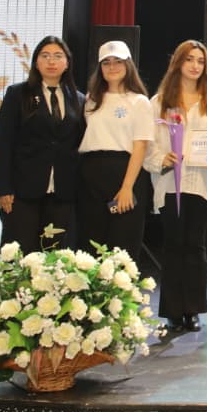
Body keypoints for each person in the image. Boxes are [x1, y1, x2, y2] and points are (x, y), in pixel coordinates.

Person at [145, 40, 207, 333]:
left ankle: (192, 310)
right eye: (189, 59)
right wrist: (161, 159)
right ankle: (172, 311)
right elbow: (149, 145)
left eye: (200, 61)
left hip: (201, 184)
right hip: (169, 184)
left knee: (195, 245)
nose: (195, 66)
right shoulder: (159, 101)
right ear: (178, 63)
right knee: (173, 245)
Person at [0, 36, 86, 253]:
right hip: (22, 192)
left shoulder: (79, 100)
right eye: (45, 56)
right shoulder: (18, 94)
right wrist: (3, 188)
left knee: (55, 257)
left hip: (62, 193)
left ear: (67, 63)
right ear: (36, 62)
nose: (51, 61)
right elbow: (3, 143)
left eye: (58, 56)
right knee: (19, 255)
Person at [77, 41, 153, 261]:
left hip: (125, 173)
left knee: (122, 246)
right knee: (90, 244)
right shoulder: (90, 100)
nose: (112, 67)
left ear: (128, 65)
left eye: (118, 61)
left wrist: (127, 187)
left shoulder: (139, 101)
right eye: (106, 62)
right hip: (91, 174)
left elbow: (140, 145)